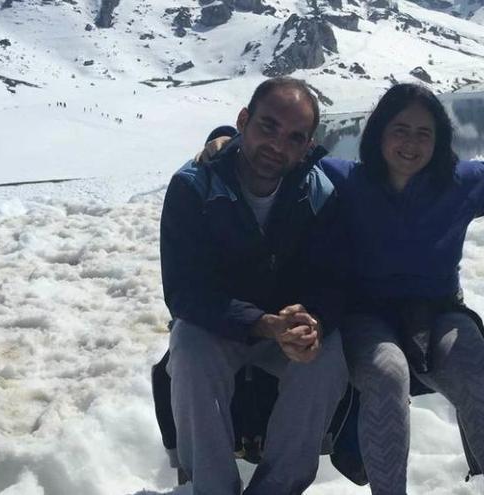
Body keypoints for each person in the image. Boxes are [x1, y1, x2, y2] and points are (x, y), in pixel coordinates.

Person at [201, 83, 484, 494]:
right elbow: (283, 147)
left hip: (438, 312)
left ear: (439, 141)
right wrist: (223, 136)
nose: (411, 143)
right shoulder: (346, 179)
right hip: (365, 317)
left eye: (424, 133)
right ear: (379, 132)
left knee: (476, 365)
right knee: (387, 373)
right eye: (400, 129)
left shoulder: (462, 182)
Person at [159, 76, 348, 495]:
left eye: (294, 137)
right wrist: (263, 323)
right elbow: (185, 292)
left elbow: (335, 279)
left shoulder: (317, 192)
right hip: (219, 327)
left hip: (283, 330)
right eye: (268, 127)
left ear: (306, 146)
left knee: (327, 358)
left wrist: (311, 319)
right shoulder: (194, 187)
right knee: (188, 349)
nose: (278, 145)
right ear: (243, 121)